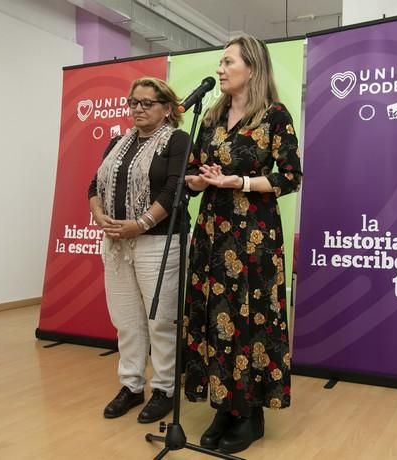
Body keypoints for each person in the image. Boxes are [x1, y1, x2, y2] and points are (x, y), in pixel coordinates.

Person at [183, 35, 302, 454]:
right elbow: (196, 171)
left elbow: (290, 177)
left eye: (227, 61)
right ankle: (223, 403)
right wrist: (197, 180)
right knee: (217, 316)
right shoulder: (212, 114)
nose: (220, 69)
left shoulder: (274, 115)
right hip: (212, 231)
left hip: (254, 237)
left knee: (250, 319)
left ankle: (250, 411)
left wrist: (242, 182)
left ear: (251, 67)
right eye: (220, 62)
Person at [88, 77, 190, 423]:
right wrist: (100, 215)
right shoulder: (118, 142)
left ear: (166, 108)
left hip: (159, 242)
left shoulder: (176, 141)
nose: (138, 109)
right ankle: (131, 386)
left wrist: (141, 223)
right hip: (117, 243)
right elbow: (94, 185)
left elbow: (175, 189)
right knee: (127, 321)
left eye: (147, 103)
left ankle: (164, 389)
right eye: (133, 102)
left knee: (161, 320)